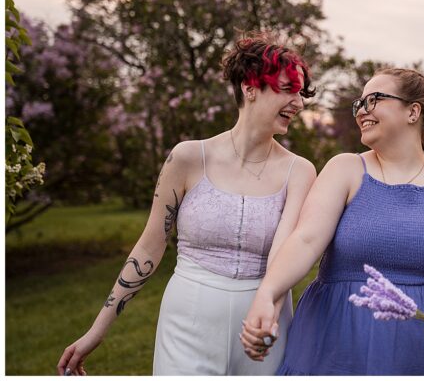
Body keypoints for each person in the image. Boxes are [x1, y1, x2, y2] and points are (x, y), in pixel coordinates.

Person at [57, 35, 317, 377]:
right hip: (189, 318)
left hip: (264, 325)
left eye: (301, 94)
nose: (298, 103)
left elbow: (284, 255)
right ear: (250, 86)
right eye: (288, 89)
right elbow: (150, 245)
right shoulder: (188, 158)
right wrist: (97, 329)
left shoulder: (300, 171)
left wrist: (266, 316)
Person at [240, 68, 424, 376]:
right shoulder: (345, 169)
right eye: (359, 103)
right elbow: (305, 240)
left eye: (374, 99)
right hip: (338, 342)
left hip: (420, 349)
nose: (362, 110)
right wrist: (267, 293)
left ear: (413, 111)